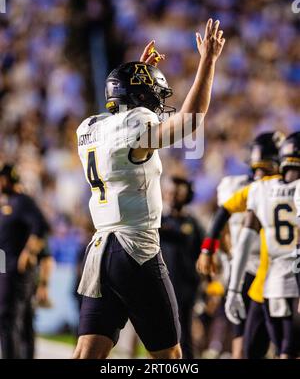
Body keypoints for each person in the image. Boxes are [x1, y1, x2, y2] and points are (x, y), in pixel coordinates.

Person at [72, 18, 225, 359]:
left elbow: (123, 112)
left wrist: (138, 73)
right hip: (136, 248)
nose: (157, 104)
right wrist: (208, 61)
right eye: (153, 97)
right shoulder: (136, 124)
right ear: (140, 98)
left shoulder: (91, 127)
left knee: (88, 351)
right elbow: (192, 119)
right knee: (169, 357)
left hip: (101, 250)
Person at [197, 132, 284, 358]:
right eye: (258, 167)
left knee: (282, 344)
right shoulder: (240, 187)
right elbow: (224, 223)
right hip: (248, 269)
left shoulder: (271, 189)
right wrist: (213, 253)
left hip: (273, 270)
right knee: (245, 344)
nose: (260, 173)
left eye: (266, 167)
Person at [225, 132, 300, 358]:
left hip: (272, 284)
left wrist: (233, 289)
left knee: (282, 351)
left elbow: (242, 244)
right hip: (286, 281)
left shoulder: (260, 190)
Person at [0, 164, 49, 359]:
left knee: (8, 318)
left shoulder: (22, 202)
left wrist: (29, 252)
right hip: (6, 269)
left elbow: (42, 226)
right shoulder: (8, 203)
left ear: (5, 180)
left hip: (17, 272)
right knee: (19, 320)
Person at [160, 176, 204, 358]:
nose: (173, 196)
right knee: (160, 335)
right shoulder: (157, 221)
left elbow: (205, 250)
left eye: (177, 192)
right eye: (170, 191)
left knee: (184, 333)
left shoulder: (193, 223)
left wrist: (208, 282)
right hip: (161, 284)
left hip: (186, 286)